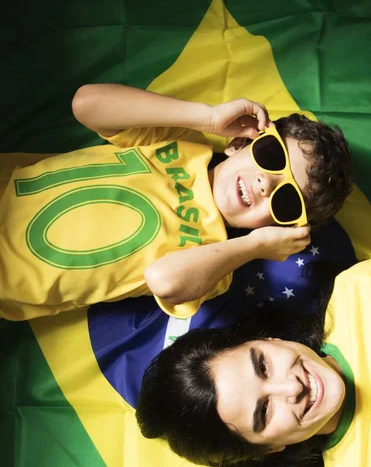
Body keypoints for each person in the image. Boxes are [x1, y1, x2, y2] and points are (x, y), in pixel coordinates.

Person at [0, 84, 351, 321]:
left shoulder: (216, 261)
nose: (264, 184)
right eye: (271, 155)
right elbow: (86, 103)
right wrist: (207, 119)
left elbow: (163, 280)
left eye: (286, 200)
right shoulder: (182, 141)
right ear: (242, 143)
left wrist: (256, 246)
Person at [136, 247, 371, 467]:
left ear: (267, 340)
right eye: (264, 412)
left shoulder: (363, 289)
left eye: (263, 365)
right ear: (268, 448)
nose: (291, 386)